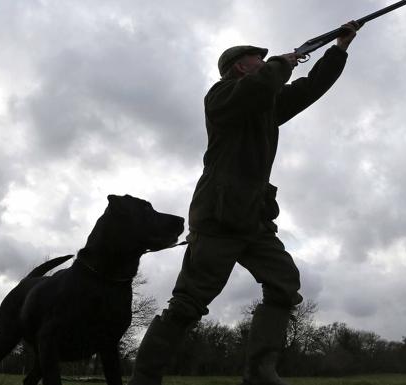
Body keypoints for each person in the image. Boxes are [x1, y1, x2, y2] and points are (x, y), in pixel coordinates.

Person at [129, 21, 361, 385]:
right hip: (219, 217)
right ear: (241, 66)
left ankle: (259, 372)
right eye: (259, 59)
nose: (265, 62)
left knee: (284, 284)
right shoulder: (221, 97)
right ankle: (144, 379)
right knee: (189, 303)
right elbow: (262, 84)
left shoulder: (264, 104)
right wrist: (285, 62)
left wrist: (338, 49)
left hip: (254, 219)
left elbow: (310, 88)